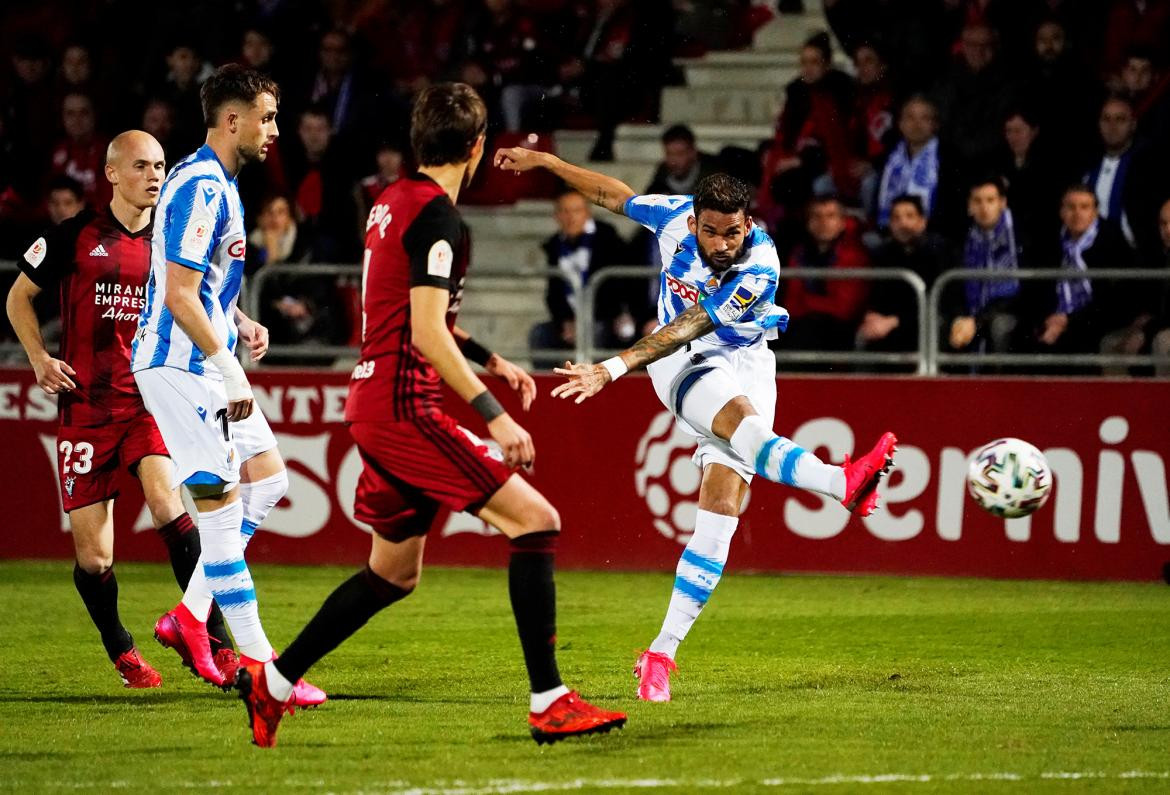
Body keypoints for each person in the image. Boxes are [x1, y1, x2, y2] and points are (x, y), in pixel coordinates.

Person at [235, 83, 627, 748]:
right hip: (400, 406)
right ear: (476, 149)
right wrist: (495, 414)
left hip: (373, 399)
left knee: (393, 572)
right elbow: (424, 331)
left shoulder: (392, 203)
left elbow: (410, 310)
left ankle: (272, 683)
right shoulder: (441, 219)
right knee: (537, 521)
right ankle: (550, 699)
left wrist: (490, 355)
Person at [493, 148, 897, 703]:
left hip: (746, 359)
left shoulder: (760, 265)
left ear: (748, 223)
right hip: (680, 363)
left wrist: (610, 368)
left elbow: (695, 318)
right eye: (711, 232)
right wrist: (547, 163)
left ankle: (660, 653)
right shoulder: (671, 215)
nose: (722, 244)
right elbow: (613, 194)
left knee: (721, 515)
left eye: (732, 232)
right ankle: (840, 483)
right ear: (694, 222)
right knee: (749, 434)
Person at [5, 130, 230, 688]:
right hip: (85, 410)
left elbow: (203, 300)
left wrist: (243, 323)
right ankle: (120, 647)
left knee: (167, 503)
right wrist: (37, 357)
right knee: (96, 559)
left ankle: (215, 641)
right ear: (111, 174)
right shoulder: (75, 235)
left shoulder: (169, 241)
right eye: (141, 166)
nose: (155, 176)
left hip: (148, 401)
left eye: (159, 166)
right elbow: (18, 297)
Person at [130, 65, 324, 706]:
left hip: (204, 358)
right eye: (266, 118)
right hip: (180, 368)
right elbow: (180, 296)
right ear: (233, 119)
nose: (275, 131)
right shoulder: (203, 187)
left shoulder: (220, 185)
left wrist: (238, 319)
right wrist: (231, 365)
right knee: (218, 520)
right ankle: (266, 672)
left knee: (269, 481)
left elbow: (194, 284)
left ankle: (189, 617)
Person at [529, 188, 639, 365]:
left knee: (594, 333)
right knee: (540, 334)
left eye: (576, 211)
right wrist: (565, 321)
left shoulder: (609, 240)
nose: (570, 217)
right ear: (556, 216)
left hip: (604, 317)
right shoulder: (554, 246)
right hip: (571, 319)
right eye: (564, 211)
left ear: (588, 213)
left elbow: (623, 286)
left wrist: (619, 314)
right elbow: (553, 294)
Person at [1028, 185, 1135, 360]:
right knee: (1024, 335)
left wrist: (1068, 320)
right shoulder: (1050, 239)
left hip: (1093, 319)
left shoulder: (1111, 239)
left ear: (1095, 212)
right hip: (1053, 317)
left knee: (1074, 342)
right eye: (1071, 207)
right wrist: (1050, 318)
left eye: (1084, 207)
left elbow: (1114, 300)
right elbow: (1038, 287)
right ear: (1062, 211)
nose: (1077, 213)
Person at [776, 195, 870, 362]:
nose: (823, 222)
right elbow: (791, 304)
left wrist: (808, 302)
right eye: (816, 216)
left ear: (842, 222)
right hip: (803, 326)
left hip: (840, 329)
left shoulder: (855, 255)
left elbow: (844, 309)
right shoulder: (799, 254)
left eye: (830, 216)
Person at [858, 195, 950, 359]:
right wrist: (872, 314)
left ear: (922, 221)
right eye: (896, 218)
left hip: (923, 322)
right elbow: (876, 295)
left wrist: (894, 321)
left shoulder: (937, 251)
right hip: (889, 324)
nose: (903, 224)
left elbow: (938, 301)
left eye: (909, 216)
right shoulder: (883, 254)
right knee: (864, 333)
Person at [949, 177, 1024, 359]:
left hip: (1010, 312)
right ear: (969, 206)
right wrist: (961, 317)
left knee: (1001, 326)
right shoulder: (962, 239)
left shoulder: (1020, 237)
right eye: (977, 201)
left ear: (1002, 203)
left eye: (990, 200)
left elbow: (1021, 292)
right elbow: (953, 286)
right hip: (971, 315)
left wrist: (979, 320)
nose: (984, 208)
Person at [645, 125, 720, 196]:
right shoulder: (662, 173)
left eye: (679, 154)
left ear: (693, 153)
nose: (673, 160)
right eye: (669, 154)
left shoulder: (712, 174)